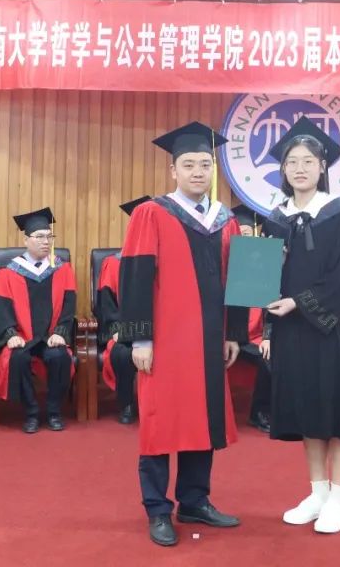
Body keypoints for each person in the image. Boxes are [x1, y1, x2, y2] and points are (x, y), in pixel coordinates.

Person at [114, 121, 248, 547]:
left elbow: (238, 279)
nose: (197, 172)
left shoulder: (226, 220)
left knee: (201, 420)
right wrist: (140, 339)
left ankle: (194, 500)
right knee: (160, 423)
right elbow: (135, 276)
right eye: (188, 165)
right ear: (173, 170)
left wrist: (234, 333)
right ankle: (158, 508)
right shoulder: (151, 213)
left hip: (209, 340)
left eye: (205, 165)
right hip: (166, 342)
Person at [261, 117, 340, 535]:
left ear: (322, 167)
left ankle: (339, 499)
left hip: (329, 328)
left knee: (335, 415)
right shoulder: (276, 219)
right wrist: (266, 302)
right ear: (283, 169)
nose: (299, 168)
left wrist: (297, 303)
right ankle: (317, 493)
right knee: (308, 413)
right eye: (292, 162)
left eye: (308, 161)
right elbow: (264, 277)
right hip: (291, 332)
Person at [0, 207, 77, 434]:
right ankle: (30, 413)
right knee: (17, 358)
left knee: (59, 356)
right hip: (22, 337)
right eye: (39, 237)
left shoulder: (62, 269)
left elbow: (69, 305)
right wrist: (10, 334)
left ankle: (54, 412)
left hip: (51, 336)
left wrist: (61, 332)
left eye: (49, 236)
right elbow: (1, 308)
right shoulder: (7, 272)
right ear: (26, 240)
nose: (45, 241)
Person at [96, 196, 149, 425]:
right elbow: (106, 302)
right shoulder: (115, 262)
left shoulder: (167, 261)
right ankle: (126, 403)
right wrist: (116, 328)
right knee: (121, 353)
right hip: (126, 330)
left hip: (161, 331)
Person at [230, 202, 273, 433]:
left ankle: (259, 413)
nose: (242, 240)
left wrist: (268, 337)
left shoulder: (264, 266)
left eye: (246, 234)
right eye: (237, 235)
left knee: (272, 359)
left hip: (253, 337)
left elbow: (271, 310)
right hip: (224, 335)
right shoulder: (222, 262)